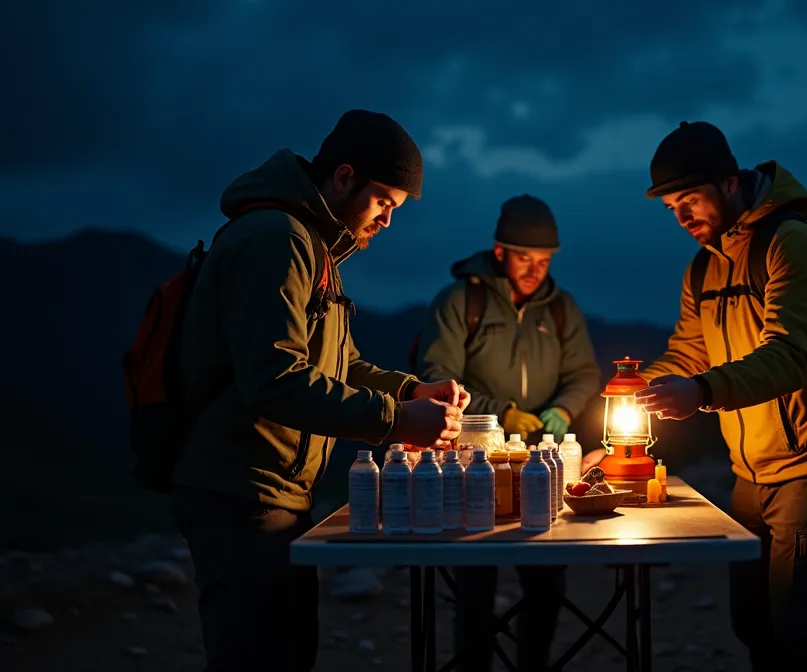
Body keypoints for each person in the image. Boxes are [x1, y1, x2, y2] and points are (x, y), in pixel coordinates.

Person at [168, 109, 470, 672]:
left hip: (276, 493)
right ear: (344, 176)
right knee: (255, 658)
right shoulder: (275, 241)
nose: (385, 221)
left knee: (286, 652)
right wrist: (396, 422)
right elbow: (274, 380)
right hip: (239, 493)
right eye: (383, 202)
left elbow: (342, 365)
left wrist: (413, 392)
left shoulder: (316, 248)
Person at [599, 121, 807, 671]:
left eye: (690, 200)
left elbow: (789, 357)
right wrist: (640, 388)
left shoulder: (791, 244)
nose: (682, 218)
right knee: (752, 620)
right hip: (751, 470)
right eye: (672, 207)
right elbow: (690, 350)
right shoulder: (703, 267)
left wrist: (701, 392)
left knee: (800, 624)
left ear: (729, 183)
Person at [413, 194, 601, 672]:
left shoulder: (560, 309)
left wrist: (562, 408)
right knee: (475, 585)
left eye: (544, 261)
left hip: (542, 463)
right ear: (500, 252)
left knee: (546, 582)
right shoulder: (461, 300)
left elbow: (583, 373)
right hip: (474, 463)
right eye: (525, 258)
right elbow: (437, 375)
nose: (536, 270)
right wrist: (502, 415)